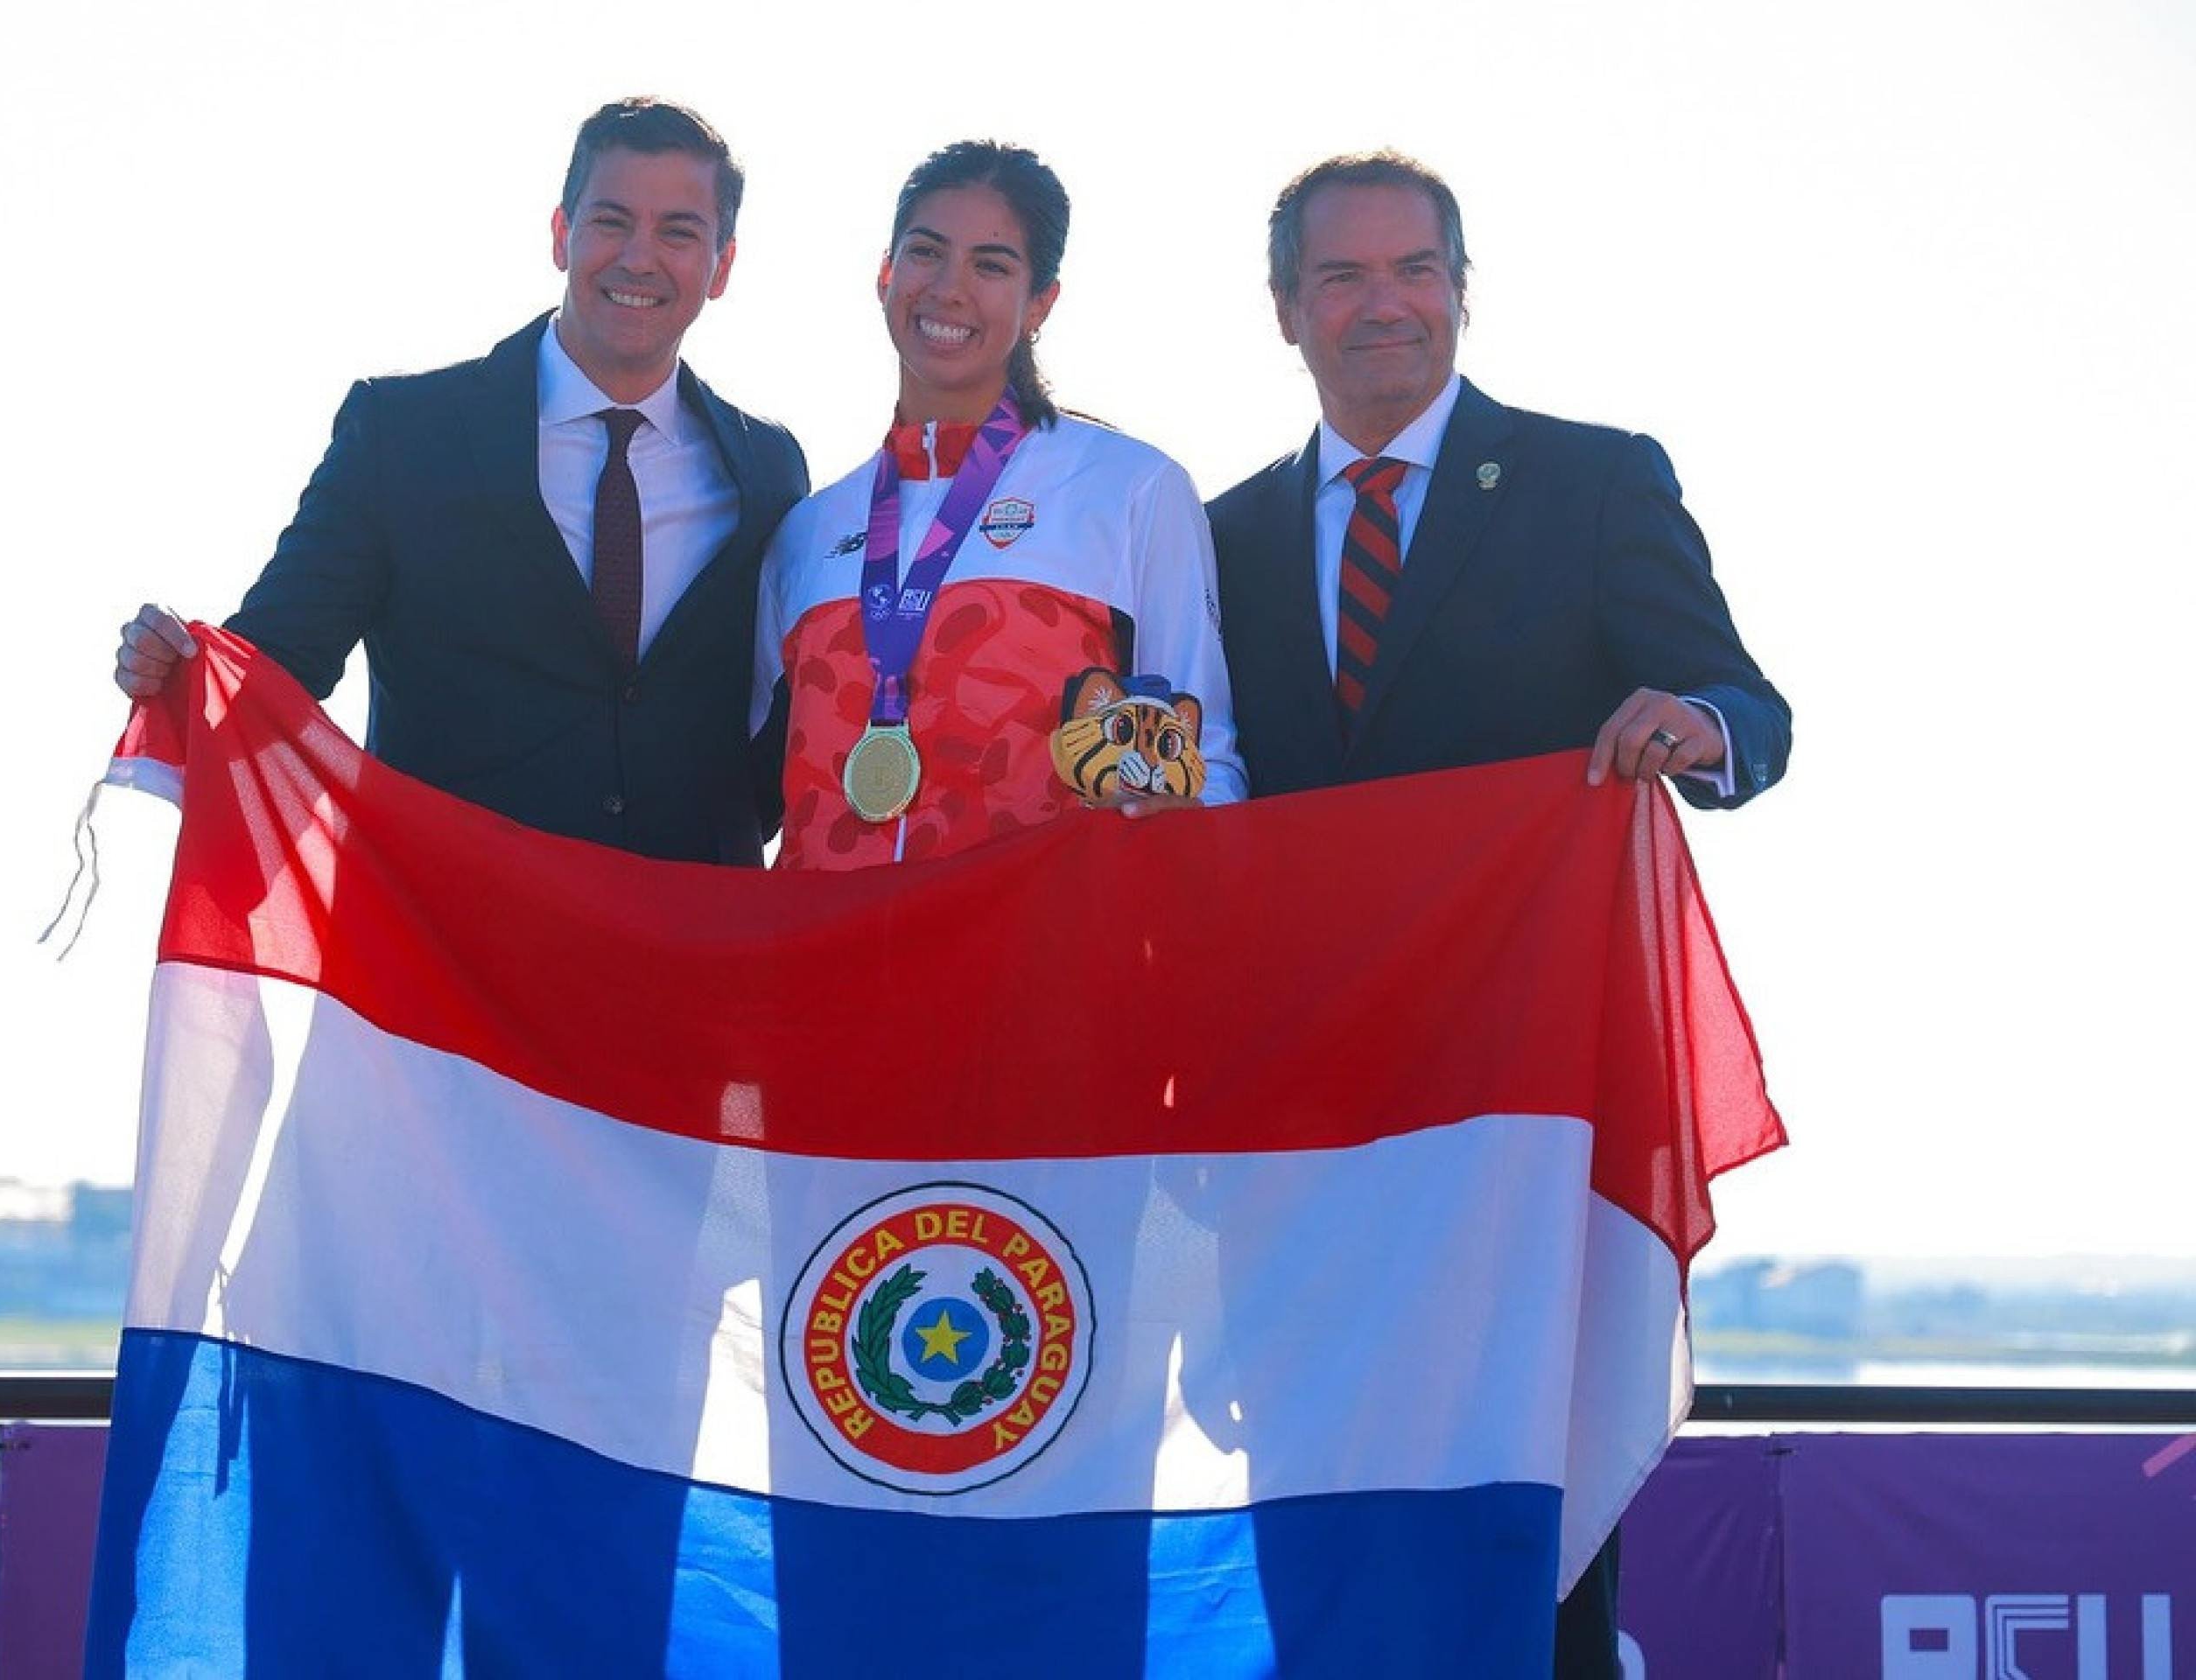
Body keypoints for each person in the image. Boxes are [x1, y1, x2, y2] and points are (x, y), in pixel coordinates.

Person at [1206, 150, 1789, 1677]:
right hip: (1308, 1139)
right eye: (1342, 275)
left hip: (1528, 1132)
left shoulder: (1594, 482)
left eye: (1415, 270)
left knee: (1533, 1556)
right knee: (1316, 1540)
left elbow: (1751, 705)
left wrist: (1697, 725)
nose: (1381, 305)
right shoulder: (1220, 539)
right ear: (1286, 309)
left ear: (1464, 290)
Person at [113, 96, 808, 865]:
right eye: (612, 221)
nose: (639, 258)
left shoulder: (769, 470)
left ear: (723, 265)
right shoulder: (402, 433)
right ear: (560, 234)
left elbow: (784, 729)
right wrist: (178, 669)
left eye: (679, 231)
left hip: (686, 950)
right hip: (444, 946)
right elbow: (278, 662)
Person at [753, 140, 1244, 872]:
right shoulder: (807, 531)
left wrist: (1175, 824)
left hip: (1034, 960)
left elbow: (1209, 762)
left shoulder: (1132, 490)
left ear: (1041, 300)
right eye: (925, 253)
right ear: (885, 273)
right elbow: (745, 791)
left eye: (991, 265)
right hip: (826, 964)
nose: (949, 289)